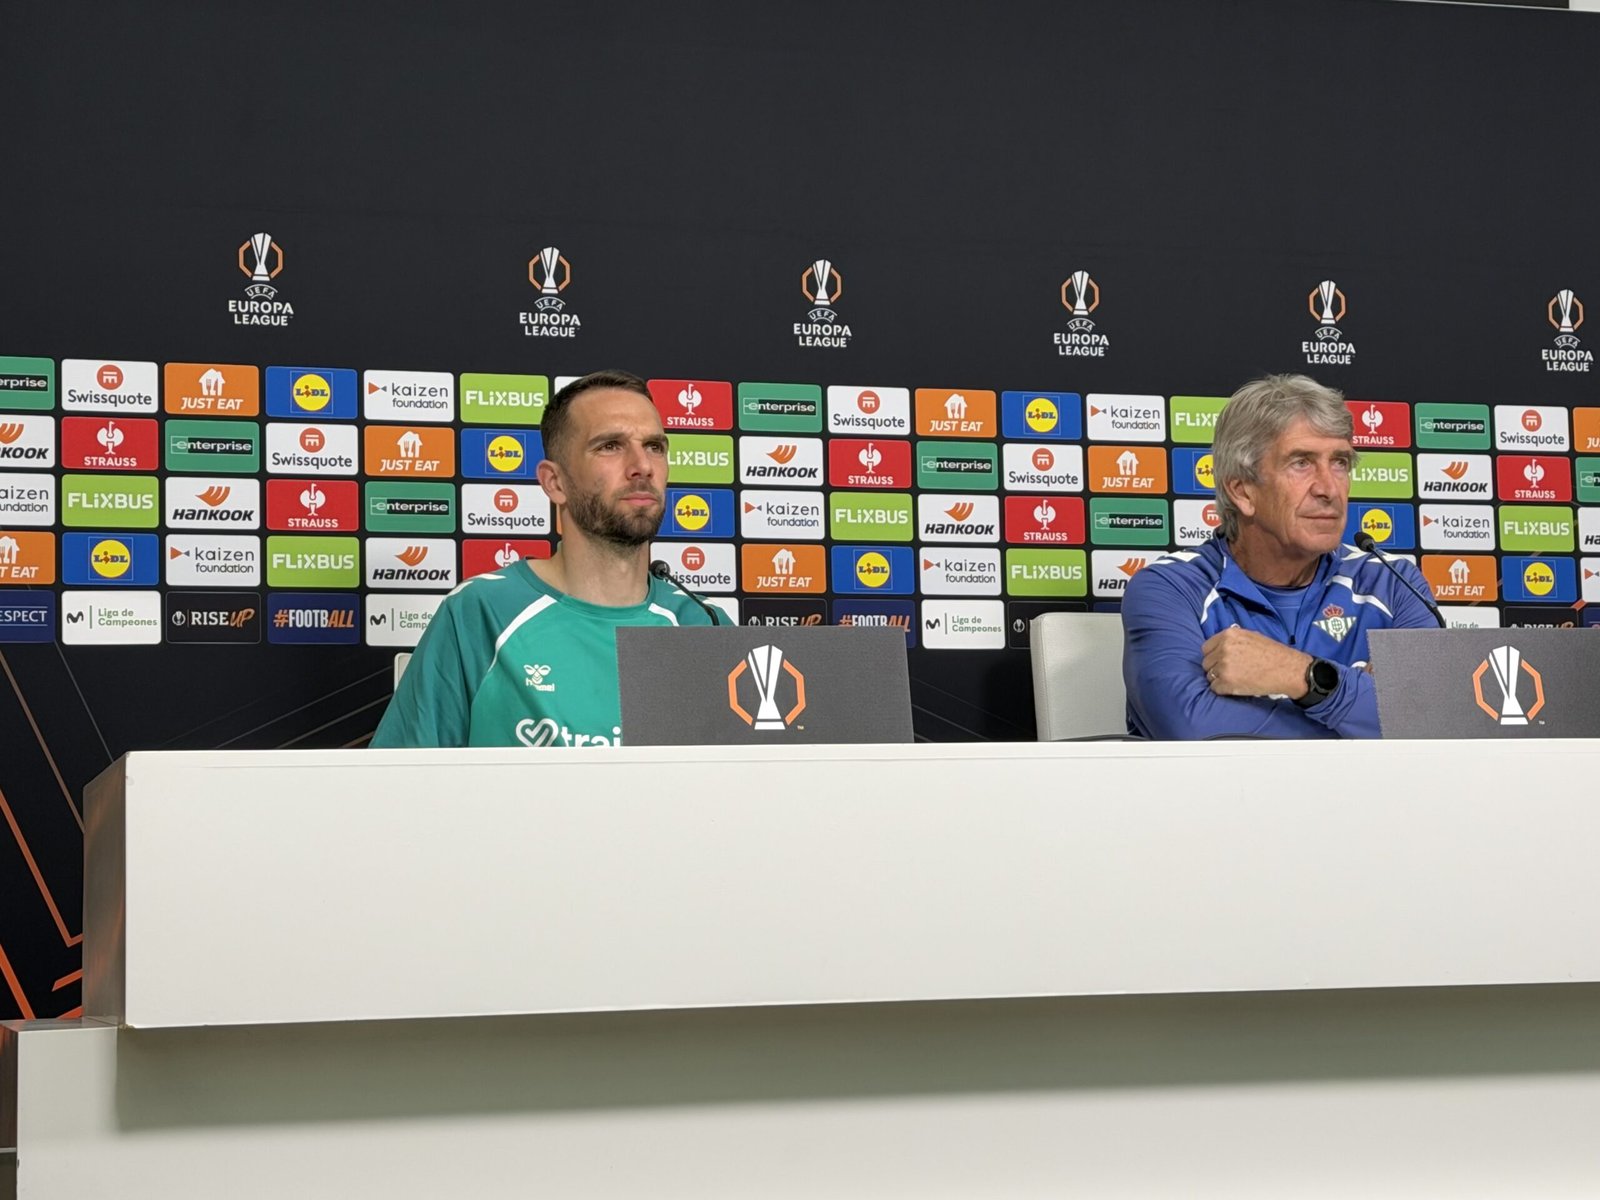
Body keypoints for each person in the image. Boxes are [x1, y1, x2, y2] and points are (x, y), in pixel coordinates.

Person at [371, 370, 718, 748]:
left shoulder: (704, 624)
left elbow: (743, 779)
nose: (642, 465)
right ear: (555, 482)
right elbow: (398, 778)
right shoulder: (480, 612)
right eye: (610, 446)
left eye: (654, 446)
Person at [1121, 374, 1438, 739]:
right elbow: (1194, 731)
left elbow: (1434, 719)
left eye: (1339, 462)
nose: (1329, 489)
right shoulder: (1169, 589)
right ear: (1243, 491)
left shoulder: (1394, 584)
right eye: (1301, 463)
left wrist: (1298, 675)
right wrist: (1363, 708)